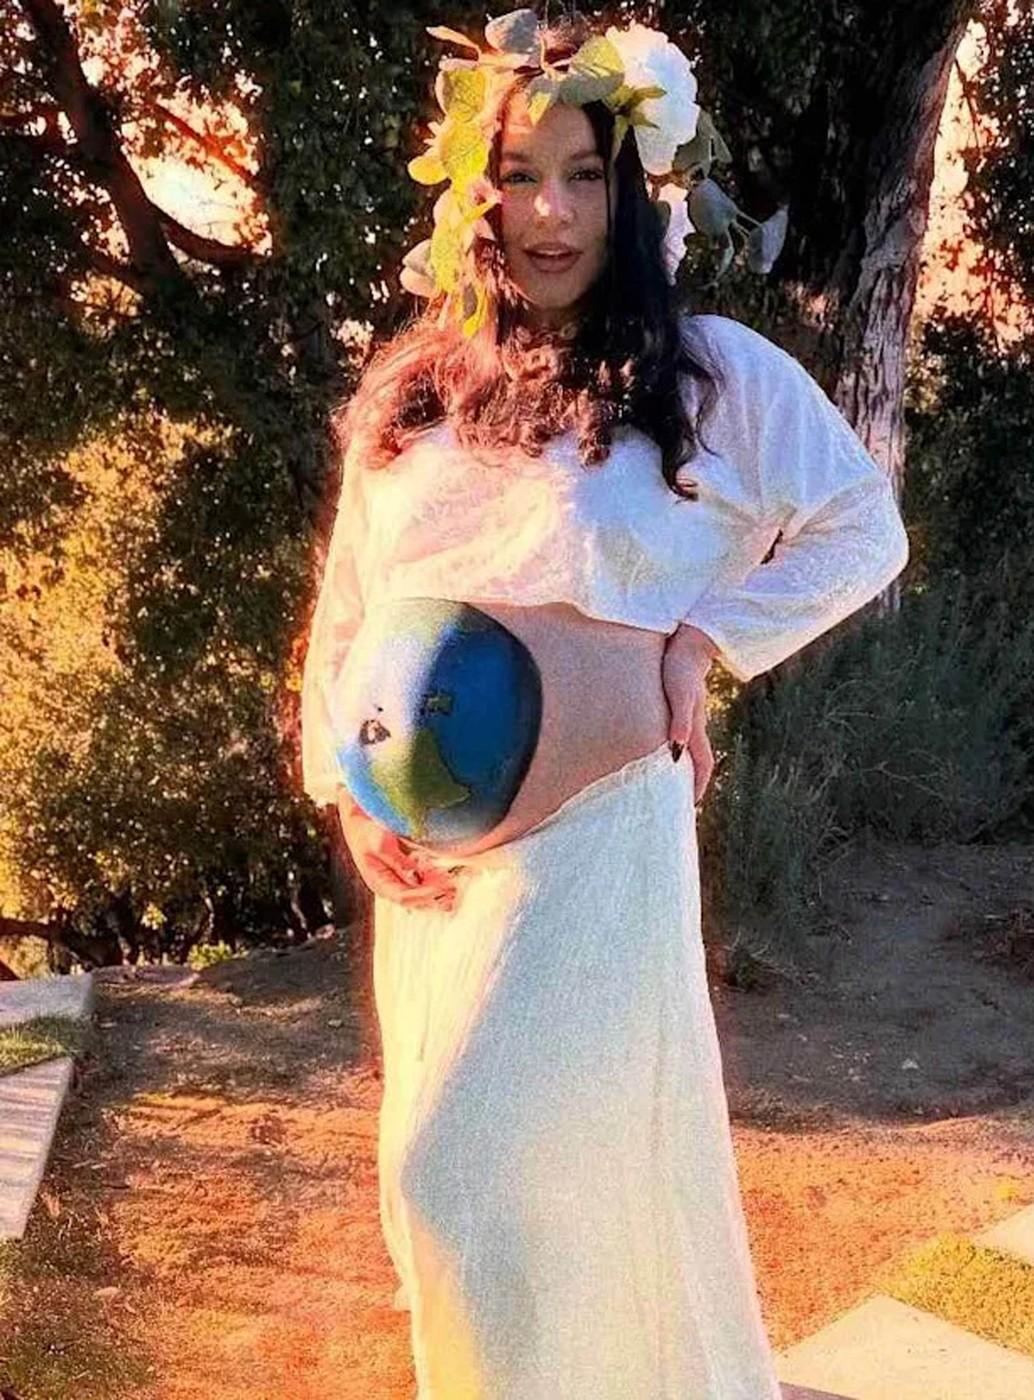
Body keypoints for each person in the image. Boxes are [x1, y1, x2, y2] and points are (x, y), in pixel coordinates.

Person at [300, 8, 908, 1397]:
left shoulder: (712, 375)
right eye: (520, 177)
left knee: (472, 1176)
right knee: (462, 1209)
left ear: (636, 193)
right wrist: (349, 795)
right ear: (475, 198)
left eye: (585, 176)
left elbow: (862, 528)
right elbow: (348, 612)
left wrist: (706, 639)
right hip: (436, 877)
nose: (551, 213)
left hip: (595, 853)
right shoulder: (413, 392)